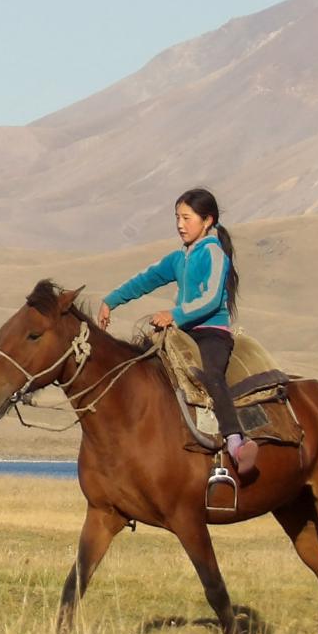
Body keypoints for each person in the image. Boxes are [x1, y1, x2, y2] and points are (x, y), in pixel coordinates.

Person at [95, 188, 256, 473]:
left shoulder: (214, 253)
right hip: (181, 332)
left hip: (210, 332)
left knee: (211, 376)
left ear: (207, 220)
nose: (180, 224)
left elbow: (210, 299)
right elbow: (145, 279)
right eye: (177, 218)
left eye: (186, 218)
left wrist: (174, 314)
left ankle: (235, 441)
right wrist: (111, 301)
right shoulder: (178, 258)